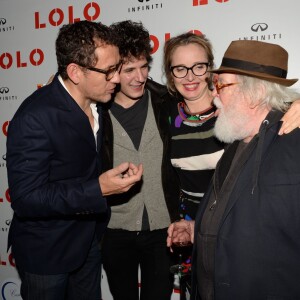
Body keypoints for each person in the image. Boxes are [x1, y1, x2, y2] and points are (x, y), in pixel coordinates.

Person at [6, 20, 143, 300]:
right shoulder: (36, 117)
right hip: (47, 252)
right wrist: (98, 189)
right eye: (109, 71)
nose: (117, 79)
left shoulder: (98, 103)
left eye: (117, 68)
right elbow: (26, 198)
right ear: (75, 72)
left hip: (88, 243)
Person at [167, 40, 300, 300]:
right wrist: (199, 228)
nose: (214, 94)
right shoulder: (236, 143)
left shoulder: (293, 145)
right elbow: (251, 218)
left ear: (256, 92)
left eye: (221, 86)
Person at [100, 20, 177, 300]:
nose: (140, 76)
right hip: (115, 231)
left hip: (163, 230)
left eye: (144, 66)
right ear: (111, 71)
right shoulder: (95, 111)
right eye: (129, 69)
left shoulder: (165, 100)